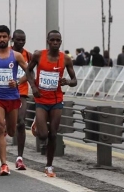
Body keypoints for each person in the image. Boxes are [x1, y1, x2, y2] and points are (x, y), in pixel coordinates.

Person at [27, 30, 77, 178]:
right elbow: (28, 71)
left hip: (56, 100)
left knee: (53, 134)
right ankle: (38, 122)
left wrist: (67, 81)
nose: (55, 42)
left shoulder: (65, 59)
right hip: (41, 99)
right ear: (48, 41)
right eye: (52, 40)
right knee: (43, 136)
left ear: (60, 42)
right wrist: (34, 87)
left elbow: (75, 81)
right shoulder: (38, 55)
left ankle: (49, 166)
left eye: (58, 40)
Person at [0, 25, 30, 176]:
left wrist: (18, 82)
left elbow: (29, 72)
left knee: (11, 130)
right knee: (0, 127)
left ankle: (7, 150)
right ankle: (4, 164)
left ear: (9, 38)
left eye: (4, 37)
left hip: (13, 97)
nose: (2, 39)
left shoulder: (16, 56)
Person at [12, 29, 33, 170]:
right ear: (12, 39)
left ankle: (19, 157)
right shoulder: (5, 52)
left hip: (21, 93)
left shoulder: (28, 55)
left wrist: (20, 81)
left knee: (20, 123)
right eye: (18, 39)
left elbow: (30, 72)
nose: (20, 42)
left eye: (23, 40)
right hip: (4, 93)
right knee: (5, 125)